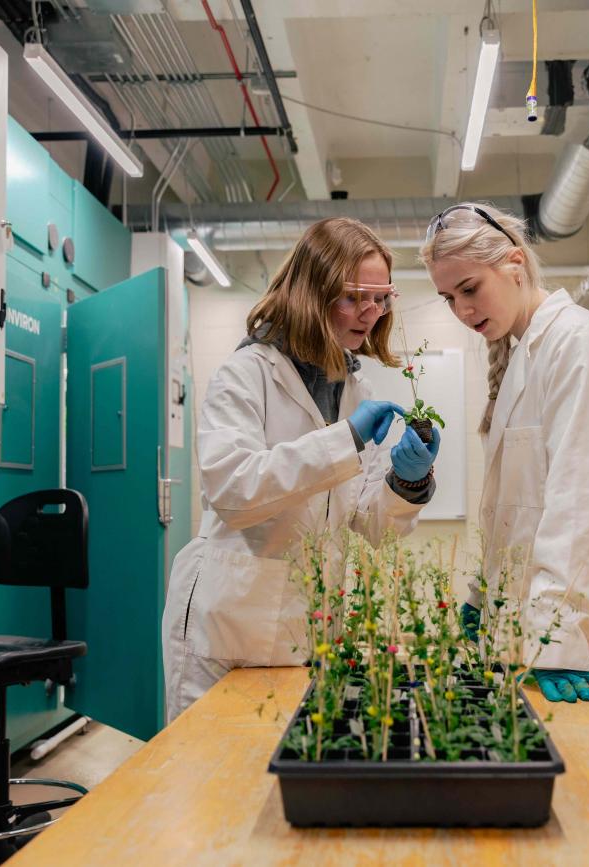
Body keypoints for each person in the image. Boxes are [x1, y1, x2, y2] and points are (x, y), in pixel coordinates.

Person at [163, 217, 441, 722]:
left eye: (381, 298)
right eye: (355, 297)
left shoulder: (355, 389)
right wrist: (346, 439)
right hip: (231, 621)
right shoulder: (245, 375)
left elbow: (370, 521)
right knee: (212, 782)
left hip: (308, 627)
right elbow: (234, 491)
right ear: (313, 292)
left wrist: (407, 481)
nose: (372, 313)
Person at [420, 203, 589, 703]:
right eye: (448, 297)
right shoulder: (522, 354)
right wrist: (482, 593)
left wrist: (556, 640)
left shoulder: (578, 341)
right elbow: (516, 512)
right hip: (531, 635)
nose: (462, 311)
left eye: (470, 289)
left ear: (514, 263)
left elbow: (582, 505)